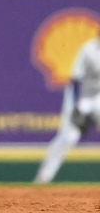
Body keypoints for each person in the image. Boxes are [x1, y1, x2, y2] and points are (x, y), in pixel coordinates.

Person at [36, 38, 100, 183]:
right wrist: (77, 106)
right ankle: (44, 178)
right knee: (69, 136)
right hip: (82, 96)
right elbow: (76, 78)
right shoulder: (89, 49)